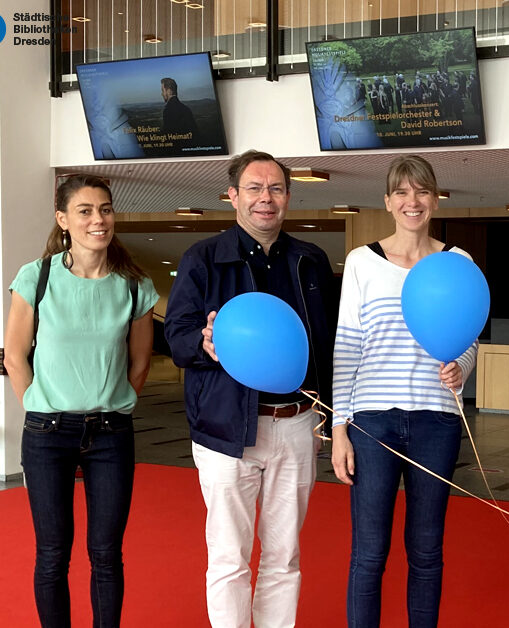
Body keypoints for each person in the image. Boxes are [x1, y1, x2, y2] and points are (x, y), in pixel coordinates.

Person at [165, 150, 337, 628]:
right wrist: (202, 342)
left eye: (277, 189)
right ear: (233, 196)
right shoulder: (202, 259)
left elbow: (325, 342)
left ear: (288, 197)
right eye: (256, 189)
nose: (267, 199)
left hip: (296, 425)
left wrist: (330, 415)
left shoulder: (311, 261)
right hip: (225, 429)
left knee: (285, 555)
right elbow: (176, 337)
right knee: (229, 554)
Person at [3, 174, 158, 627]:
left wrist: (117, 403)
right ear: (63, 219)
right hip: (47, 434)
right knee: (52, 554)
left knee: (107, 554)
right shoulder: (37, 276)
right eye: (86, 211)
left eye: (105, 209)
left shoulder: (134, 285)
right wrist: (38, 406)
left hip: (111, 432)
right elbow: (15, 356)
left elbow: (141, 363)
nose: (98, 219)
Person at [330, 155, 478, 628]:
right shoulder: (361, 262)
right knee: (369, 553)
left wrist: (461, 368)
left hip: (437, 421)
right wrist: (338, 429)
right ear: (388, 202)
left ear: (435, 199)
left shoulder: (458, 262)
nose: (412, 201)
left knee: (427, 552)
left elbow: (470, 336)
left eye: (421, 192)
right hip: (371, 422)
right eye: (402, 192)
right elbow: (347, 344)